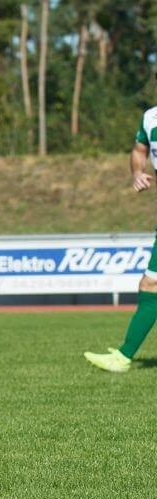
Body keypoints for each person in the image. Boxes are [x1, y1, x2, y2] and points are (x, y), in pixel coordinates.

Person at [83, 103, 157, 373]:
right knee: (151, 285)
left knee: (152, 284)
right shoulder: (150, 118)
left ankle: (124, 356)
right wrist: (137, 172)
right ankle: (124, 355)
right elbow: (139, 151)